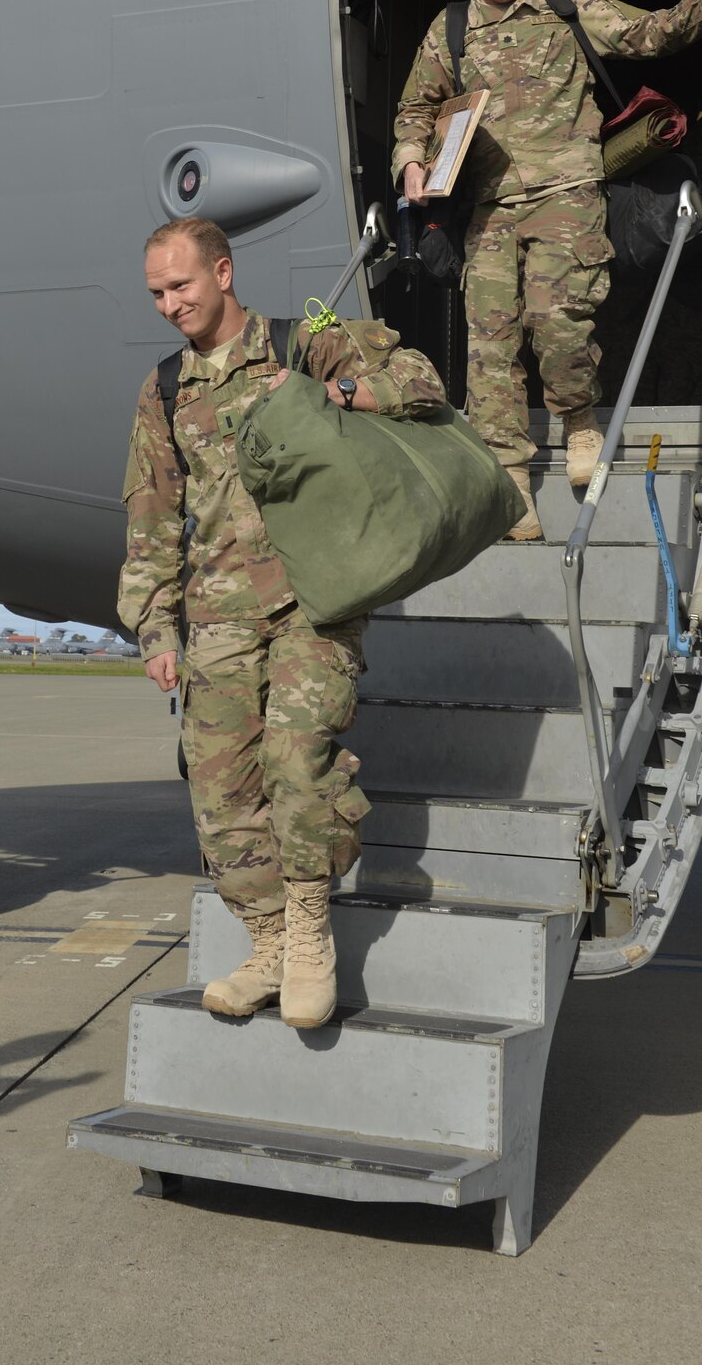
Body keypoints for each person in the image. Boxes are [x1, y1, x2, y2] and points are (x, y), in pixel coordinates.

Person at [118, 217, 445, 1030]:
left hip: (313, 600)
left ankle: (306, 937)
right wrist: (156, 630)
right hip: (218, 615)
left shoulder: (304, 342)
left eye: (181, 286)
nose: (169, 305)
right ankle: (263, 940)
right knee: (220, 793)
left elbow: (419, 383)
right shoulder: (164, 389)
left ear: (223, 273)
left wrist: (329, 392)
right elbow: (152, 519)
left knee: (298, 765)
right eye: (157, 292)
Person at [393, 0, 702, 540]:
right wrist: (409, 162)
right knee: (490, 346)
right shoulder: (451, 30)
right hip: (488, 206)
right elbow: (413, 109)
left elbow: (650, 34)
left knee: (558, 321)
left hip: (567, 193)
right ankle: (510, 480)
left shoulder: (564, 6)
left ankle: (578, 423)